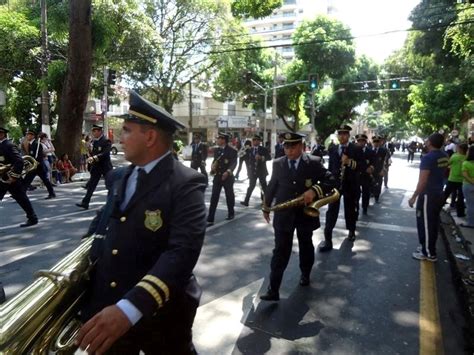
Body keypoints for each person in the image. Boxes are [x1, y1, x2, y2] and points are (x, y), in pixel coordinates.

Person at [75, 90, 207, 354]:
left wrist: (129, 309)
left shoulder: (186, 183)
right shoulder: (118, 177)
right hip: (109, 305)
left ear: (149, 136)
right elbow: (101, 230)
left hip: (162, 313)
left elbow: (181, 254)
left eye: (126, 130)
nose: (119, 138)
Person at [260, 132, 337, 301]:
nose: (289, 150)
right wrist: (266, 207)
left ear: (301, 146)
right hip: (283, 215)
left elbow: (331, 180)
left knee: (306, 245)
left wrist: (314, 190)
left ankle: (305, 273)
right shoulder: (278, 163)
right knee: (280, 250)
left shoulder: (314, 163)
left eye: (292, 146)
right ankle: (273, 289)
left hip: (305, 213)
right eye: (286, 146)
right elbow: (272, 185)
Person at [320, 124, 363, 251]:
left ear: (348, 135)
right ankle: (328, 240)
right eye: (340, 134)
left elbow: (361, 167)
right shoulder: (333, 148)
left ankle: (351, 230)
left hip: (350, 184)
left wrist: (349, 162)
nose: (342, 136)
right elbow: (331, 167)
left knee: (350, 209)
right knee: (331, 211)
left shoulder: (356, 148)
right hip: (336, 185)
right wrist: (327, 183)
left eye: (344, 134)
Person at [409, 133, 449, 262]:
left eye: (427, 140)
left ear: (430, 143)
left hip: (428, 195)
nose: (425, 141)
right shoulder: (444, 156)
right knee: (433, 223)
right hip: (438, 193)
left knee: (426, 223)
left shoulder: (428, 158)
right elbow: (446, 173)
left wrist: (414, 196)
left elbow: (423, 181)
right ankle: (428, 247)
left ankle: (428, 253)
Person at [0, 127, 38, 227]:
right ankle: (32, 217)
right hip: (2, 177)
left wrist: (13, 177)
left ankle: (32, 217)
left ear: (2, 134)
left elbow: (19, 161)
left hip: (11, 178)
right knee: (21, 198)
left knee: (22, 198)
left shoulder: (8, 145)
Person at [76, 125, 112, 209]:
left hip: (106, 166)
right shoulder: (95, 141)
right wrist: (91, 156)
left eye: (95, 131)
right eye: (93, 131)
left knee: (110, 185)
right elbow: (94, 153)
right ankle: (85, 203)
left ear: (99, 131)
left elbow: (105, 153)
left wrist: (95, 157)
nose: (93, 133)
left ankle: (114, 202)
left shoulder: (106, 141)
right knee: (91, 186)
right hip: (97, 167)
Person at [206, 132, 237, 226]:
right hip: (218, 177)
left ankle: (231, 212)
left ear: (223, 140)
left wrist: (228, 172)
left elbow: (234, 163)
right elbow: (215, 161)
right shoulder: (217, 150)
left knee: (229, 196)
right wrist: (212, 167)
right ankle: (210, 218)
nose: (217, 140)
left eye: (219, 138)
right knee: (214, 197)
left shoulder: (232, 150)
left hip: (227, 177)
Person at [22, 130, 56, 199]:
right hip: (33, 165)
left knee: (45, 180)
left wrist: (36, 162)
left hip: (39, 165)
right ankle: (20, 194)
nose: (27, 136)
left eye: (29, 135)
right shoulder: (30, 144)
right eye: (27, 135)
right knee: (26, 180)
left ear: (33, 136)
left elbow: (39, 155)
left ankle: (52, 193)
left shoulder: (37, 144)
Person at [241, 135, 271, 207]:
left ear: (259, 141)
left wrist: (262, 157)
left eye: (257, 140)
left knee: (263, 187)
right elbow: (241, 156)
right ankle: (246, 201)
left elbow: (269, 158)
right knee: (251, 186)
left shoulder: (263, 149)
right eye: (253, 140)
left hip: (261, 171)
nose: (255, 141)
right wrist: (243, 149)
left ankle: (266, 202)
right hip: (253, 171)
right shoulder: (249, 149)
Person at [443, 143, 467, 217]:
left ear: (460, 149)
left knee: (445, 194)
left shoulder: (454, 156)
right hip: (462, 180)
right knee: (461, 197)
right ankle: (460, 213)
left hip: (453, 178)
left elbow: (448, 164)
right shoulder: (466, 157)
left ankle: (437, 207)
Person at [355, 134, 375, 215]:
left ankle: (365, 207)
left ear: (365, 142)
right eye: (359, 141)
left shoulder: (370, 151)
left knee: (366, 192)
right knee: (356, 193)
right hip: (356, 175)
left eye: (363, 141)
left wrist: (371, 168)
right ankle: (356, 208)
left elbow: (373, 162)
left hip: (366, 176)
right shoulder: (353, 150)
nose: (361, 143)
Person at [371, 135, 390, 203]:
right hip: (371, 170)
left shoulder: (384, 150)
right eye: (374, 141)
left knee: (378, 184)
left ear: (380, 142)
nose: (376, 143)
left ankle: (377, 197)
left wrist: (384, 170)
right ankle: (372, 193)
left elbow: (387, 161)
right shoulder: (369, 149)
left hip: (380, 170)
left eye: (377, 141)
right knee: (371, 183)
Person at [461, 146, 474, 228]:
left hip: (468, 185)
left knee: (470, 205)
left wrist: (472, 182)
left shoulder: (465, 163)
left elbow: (465, 175)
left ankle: (471, 222)